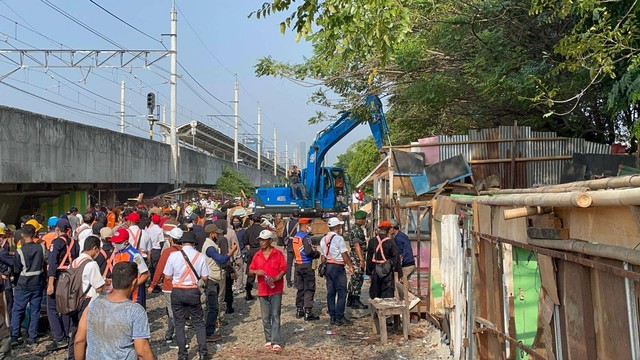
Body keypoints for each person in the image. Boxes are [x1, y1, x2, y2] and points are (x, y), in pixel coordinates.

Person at [74, 262, 154, 360]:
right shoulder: (135, 311)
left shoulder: (93, 303)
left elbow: (79, 340)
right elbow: (142, 351)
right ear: (134, 282)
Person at [163, 231, 209, 360]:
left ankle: (182, 354)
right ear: (194, 243)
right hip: (193, 291)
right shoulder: (200, 256)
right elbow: (205, 277)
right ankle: (203, 353)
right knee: (199, 323)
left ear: (181, 242)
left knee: (179, 323)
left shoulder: (173, 256)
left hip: (177, 291)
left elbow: (167, 276)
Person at [67, 236, 106, 360]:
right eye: (98, 250)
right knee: (88, 333)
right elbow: (99, 287)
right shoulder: (91, 264)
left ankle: (73, 356)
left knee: (76, 331)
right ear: (95, 248)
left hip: (73, 301)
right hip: (87, 302)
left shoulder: (73, 262)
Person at [248, 230, 287, 352]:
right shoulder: (257, 255)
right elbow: (250, 270)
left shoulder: (278, 254)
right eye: (260, 240)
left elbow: (284, 269)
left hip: (276, 288)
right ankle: (268, 339)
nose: (261, 242)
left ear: (270, 241)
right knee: (265, 316)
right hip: (262, 289)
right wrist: (256, 272)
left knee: (275, 314)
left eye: (264, 240)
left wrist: (277, 277)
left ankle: (275, 341)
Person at [47, 218, 80, 351]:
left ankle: (59, 338)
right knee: (66, 307)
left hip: (58, 277)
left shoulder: (57, 242)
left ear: (57, 230)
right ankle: (66, 334)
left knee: (52, 308)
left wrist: (50, 283)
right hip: (71, 276)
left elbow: (52, 263)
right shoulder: (75, 243)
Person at [147, 227, 183, 347]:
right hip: (183, 285)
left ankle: (174, 336)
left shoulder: (168, 252)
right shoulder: (186, 251)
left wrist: (153, 284)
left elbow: (159, 269)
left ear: (171, 239)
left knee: (172, 312)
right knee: (180, 310)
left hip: (169, 286)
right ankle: (175, 334)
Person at [10, 224, 45, 346]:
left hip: (23, 284)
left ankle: (14, 336)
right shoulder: (41, 248)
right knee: (35, 311)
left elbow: (16, 269)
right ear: (34, 234)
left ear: (22, 235)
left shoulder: (19, 251)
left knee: (17, 310)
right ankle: (32, 337)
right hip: (37, 284)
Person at [202, 224, 237, 341]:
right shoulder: (209, 247)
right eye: (216, 233)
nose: (218, 235)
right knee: (212, 307)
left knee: (211, 306)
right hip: (212, 278)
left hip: (212, 277)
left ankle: (208, 330)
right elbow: (221, 259)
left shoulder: (210, 245)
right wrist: (232, 251)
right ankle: (209, 333)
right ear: (211, 234)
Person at [320, 217, 354, 326]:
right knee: (342, 292)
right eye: (339, 225)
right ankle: (340, 316)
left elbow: (322, 256)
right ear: (337, 227)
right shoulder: (339, 239)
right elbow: (344, 254)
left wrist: (324, 269)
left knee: (331, 292)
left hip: (328, 266)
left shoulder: (323, 239)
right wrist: (350, 266)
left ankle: (333, 317)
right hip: (337, 267)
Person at [107, 229, 149, 308]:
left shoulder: (135, 255)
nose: (115, 244)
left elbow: (146, 274)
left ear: (125, 242)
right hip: (120, 292)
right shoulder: (116, 253)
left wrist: (134, 285)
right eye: (115, 242)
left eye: (118, 242)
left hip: (134, 293)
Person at [292, 218, 320, 320]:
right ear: (306, 225)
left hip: (298, 265)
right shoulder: (305, 237)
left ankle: (299, 310)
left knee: (300, 288)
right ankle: (308, 311)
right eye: (310, 225)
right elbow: (308, 252)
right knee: (309, 288)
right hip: (306, 264)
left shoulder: (296, 237)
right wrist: (316, 254)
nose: (310, 227)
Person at [366, 221, 403, 299]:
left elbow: (369, 257)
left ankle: (376, 310)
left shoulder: (372, 241)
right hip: (387, 272)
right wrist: (399, 274)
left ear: (379, 229)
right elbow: (396, 259)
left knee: (375, 294)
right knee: (387, 294)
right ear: (389, 230)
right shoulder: (391, 242)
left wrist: (369, 272)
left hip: (375, 270)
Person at [347, 210, 369, 309]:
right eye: (364, 220)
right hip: (357, 257)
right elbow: (357, 245)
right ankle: (355, 300)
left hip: (356, 256)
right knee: (357, 278)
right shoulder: (356, 230)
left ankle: (350, 299)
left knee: (354, 278)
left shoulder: (356, 228)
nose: (365, 221)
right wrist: (361, 260)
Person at [389, 219, 416, 289]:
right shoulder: (403, 236)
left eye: (389, 228)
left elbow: (400, 254)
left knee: (400, 285)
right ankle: (408, 299)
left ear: (392, 228)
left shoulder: (398, 239)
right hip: (411, 265)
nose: (388, 230)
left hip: (406, 266)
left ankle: (410, 299)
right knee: (405, 286)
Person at [243, 214, 263, 300]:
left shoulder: (248, 230)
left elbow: (246, 243)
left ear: (252, 220)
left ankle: (248, 292)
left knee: (251, 272)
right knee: (263, 271)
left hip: (252, 251)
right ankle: (264, 291)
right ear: (260, 221)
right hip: (261, 251)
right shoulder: (263, 230)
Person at [146, 214, 164, 290]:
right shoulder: (160, 230)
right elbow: (161, 241)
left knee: (150, 267)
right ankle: (154, 284)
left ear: (152, 220)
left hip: (149, 249)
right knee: (156, 267)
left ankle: (151, 282)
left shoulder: (148, 230)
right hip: (157, 249)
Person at [283, 214, 299, 288]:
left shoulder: (288, 223)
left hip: (289, 244)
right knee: (297, 264)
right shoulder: (299, 224)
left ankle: (288, 282)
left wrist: (285, 245)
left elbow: (284, 234)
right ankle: (296, 282)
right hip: (297, 245)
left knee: (288, 264)